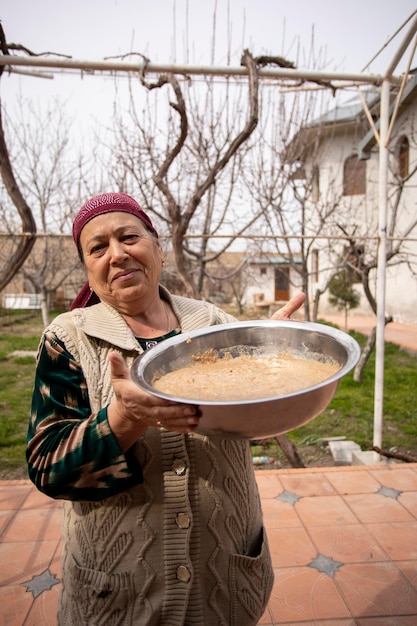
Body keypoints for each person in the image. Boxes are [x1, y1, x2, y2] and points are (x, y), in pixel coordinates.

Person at [27, 192, 306, 626]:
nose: (117, 254)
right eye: (97, 247)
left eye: (129, 237)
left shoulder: (212, 324)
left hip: (223, 578)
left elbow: (250, 423)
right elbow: (48, 468)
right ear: (87, 267)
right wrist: (122, 420)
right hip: (120, 593)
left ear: (158, 247)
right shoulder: (68, 339)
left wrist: (277, 365)